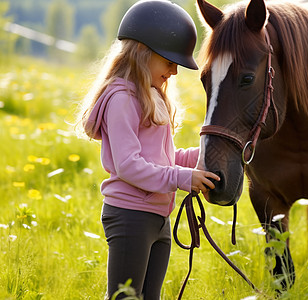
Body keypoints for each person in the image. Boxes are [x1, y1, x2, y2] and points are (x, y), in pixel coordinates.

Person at [77, 0, 220, 299]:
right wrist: (183, 178)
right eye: (169, 62)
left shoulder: (151, 96)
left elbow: (164, 160)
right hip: (130, 215)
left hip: (157, 217)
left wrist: (207, 154)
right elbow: (129, 165)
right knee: (125, 297)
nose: (174, 72)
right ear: (144, 52)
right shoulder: (122, 100)